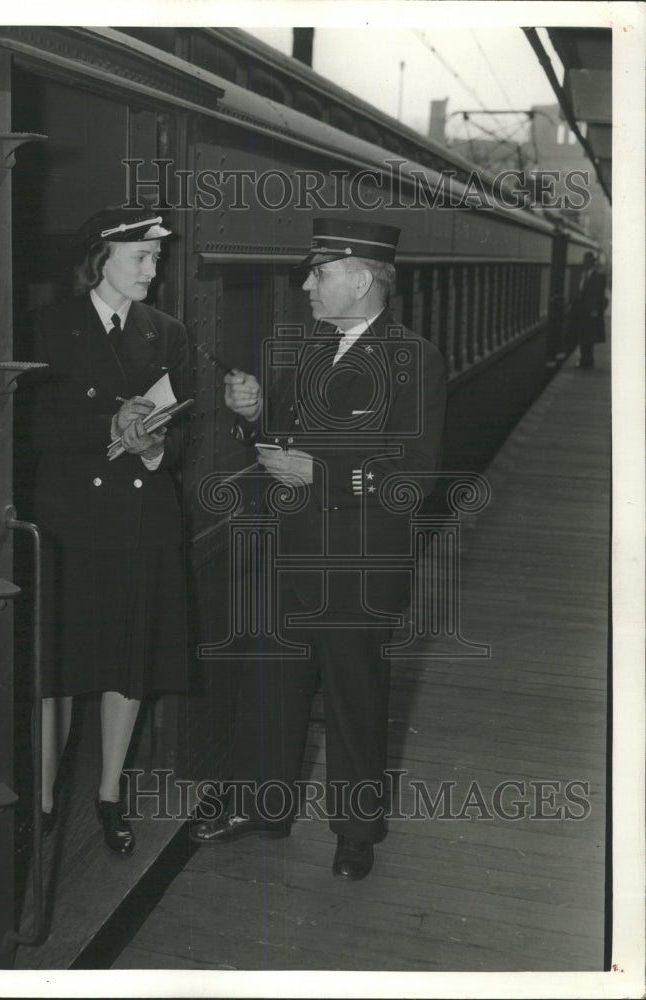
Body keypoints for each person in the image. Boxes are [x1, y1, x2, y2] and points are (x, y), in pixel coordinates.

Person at [189, 217, 447, 880]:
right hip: (289, 549)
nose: (307, 285)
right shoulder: (306, 349)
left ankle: (356, 831)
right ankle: (263, 807)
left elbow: (415, 476)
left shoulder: (412, 358)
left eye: (319, 273)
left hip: (359, 562)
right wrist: (251, 417)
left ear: (360, 277)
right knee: (271, 683)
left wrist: (321, 475)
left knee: (354, 696)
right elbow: (282, 439)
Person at [25, 204, 189, 856]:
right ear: (102, 257)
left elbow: (183, 433)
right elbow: (28, 429)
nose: (154, 268)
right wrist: (107, 427)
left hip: (142, 521)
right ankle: (40, 803)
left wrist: (154, 448)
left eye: (157, 257)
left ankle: (109, 794)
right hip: (69, 523)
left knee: (129, 665)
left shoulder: (165, 331)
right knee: (58, 674)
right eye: (142, 257)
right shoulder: (44, 328)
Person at [574, 251, 608, 369]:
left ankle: (587, 361)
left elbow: (598, 294)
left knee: (588, 338)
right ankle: (585, 360)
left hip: (591, 312)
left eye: (586, 261)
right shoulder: (583, 275)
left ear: (591, 263)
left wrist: (595, 310)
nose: (584, 263)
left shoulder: (598, 276)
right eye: (584, 261)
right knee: (584, 337)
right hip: (582, 311)